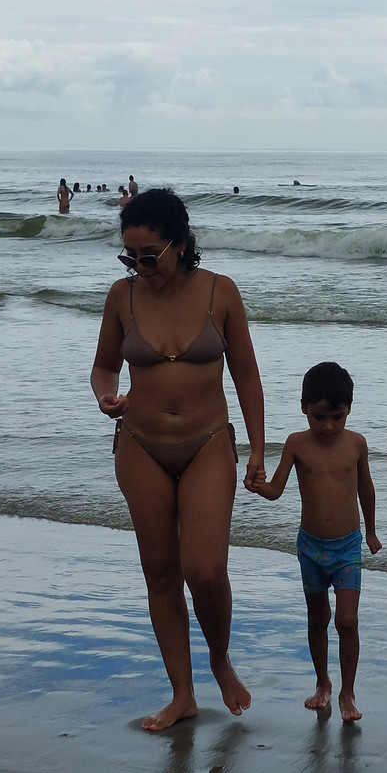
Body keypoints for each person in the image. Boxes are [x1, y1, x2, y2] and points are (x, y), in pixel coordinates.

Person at [90, 188, 266, 730]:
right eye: (130, 256)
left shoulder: (221, 292)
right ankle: (182, 694)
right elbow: (103, 367)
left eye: (149, 255)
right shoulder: (123, 297)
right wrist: (105, 397)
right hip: (139, 445)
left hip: (208, 443)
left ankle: (219, 659)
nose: (140, 266)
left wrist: (258, 449)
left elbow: (246, 375)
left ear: (181, 245)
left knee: (206, 568)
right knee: (161, 571)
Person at [251, 362, 381, 722]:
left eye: (337, 417)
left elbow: (366, 489)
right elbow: (276, 490)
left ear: (349, 410)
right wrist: (257, 486)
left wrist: (370, 531)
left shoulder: (356, 443)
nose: (328, 426)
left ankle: (348, 691)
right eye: (319, 416)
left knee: (347, 620)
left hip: (347, 548)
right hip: (309, 547)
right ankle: (322, 683)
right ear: (304, 407)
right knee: (318, 616)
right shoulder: (296, 443)